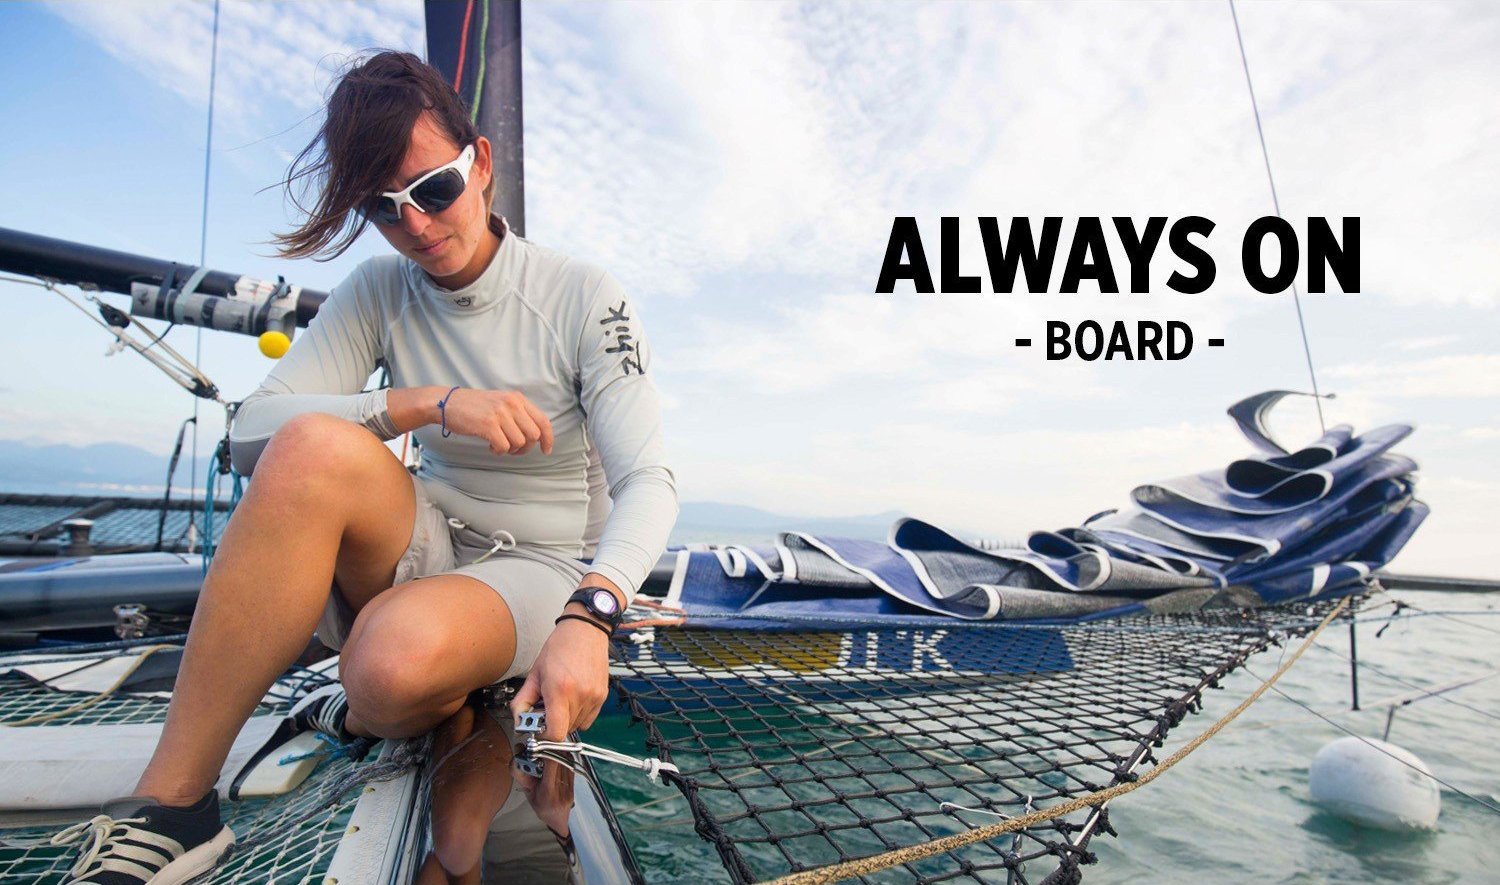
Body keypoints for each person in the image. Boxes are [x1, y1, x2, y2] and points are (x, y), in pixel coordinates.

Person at [53, 50, 676, 885]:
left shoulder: (583, 295)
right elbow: (251, 431)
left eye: (434, 189)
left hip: (540, 564)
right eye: (383, 209)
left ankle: (450, 690)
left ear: (480, 164)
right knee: (308, 445)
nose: (414, 224)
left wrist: (590, 615)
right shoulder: (381, 289)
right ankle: (174, 806)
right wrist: (425, 403)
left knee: (384, 670)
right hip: (426, 536)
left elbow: (649, 481)